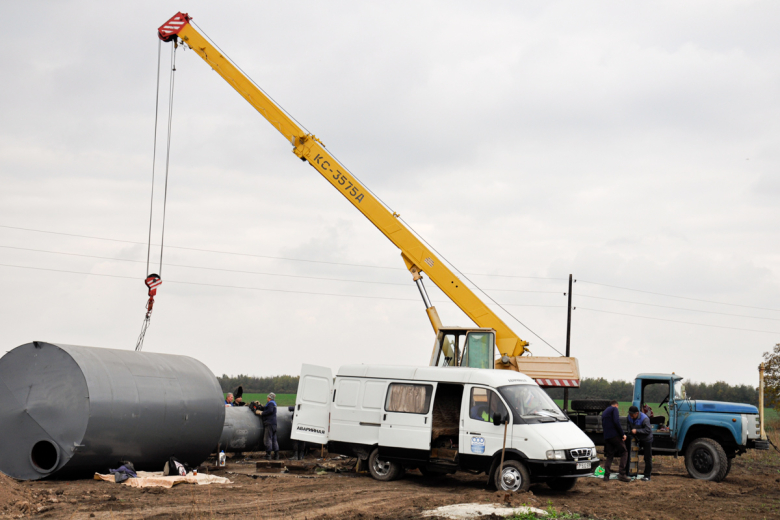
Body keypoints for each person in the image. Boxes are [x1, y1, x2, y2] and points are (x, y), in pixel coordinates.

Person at [600, 401, 631, 482]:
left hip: (607, 436)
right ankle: (622, 474)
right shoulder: (614, 409)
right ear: (616, 405)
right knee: (624, 452)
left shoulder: (605, 411)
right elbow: (616, 421)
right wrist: (622, 434)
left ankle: (606, 476)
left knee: (610, 455)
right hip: (615, 435)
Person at [627, 405, 653, 481]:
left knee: (647, 458)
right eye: (630, 415)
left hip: (647, 439)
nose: (631, 417)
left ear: (637, 413)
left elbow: (648, 430)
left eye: (632, 415)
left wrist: (637, 431)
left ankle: (647, 476)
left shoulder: (644, 419)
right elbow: (628, 426)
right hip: (638, 438)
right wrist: (630, 433)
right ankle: (631, 472)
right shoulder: (629, 417)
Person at [255, 392, 279, 460]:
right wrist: (260, 405)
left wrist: (261, 413)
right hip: (274, 423)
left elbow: (269, 411)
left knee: (267, 439)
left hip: (269, 423)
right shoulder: (273, 403)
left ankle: (268, 455)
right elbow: (267, 408)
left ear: (269, 398)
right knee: (274, 440)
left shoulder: (271, 403)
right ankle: (276, 455)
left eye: (267, 397)